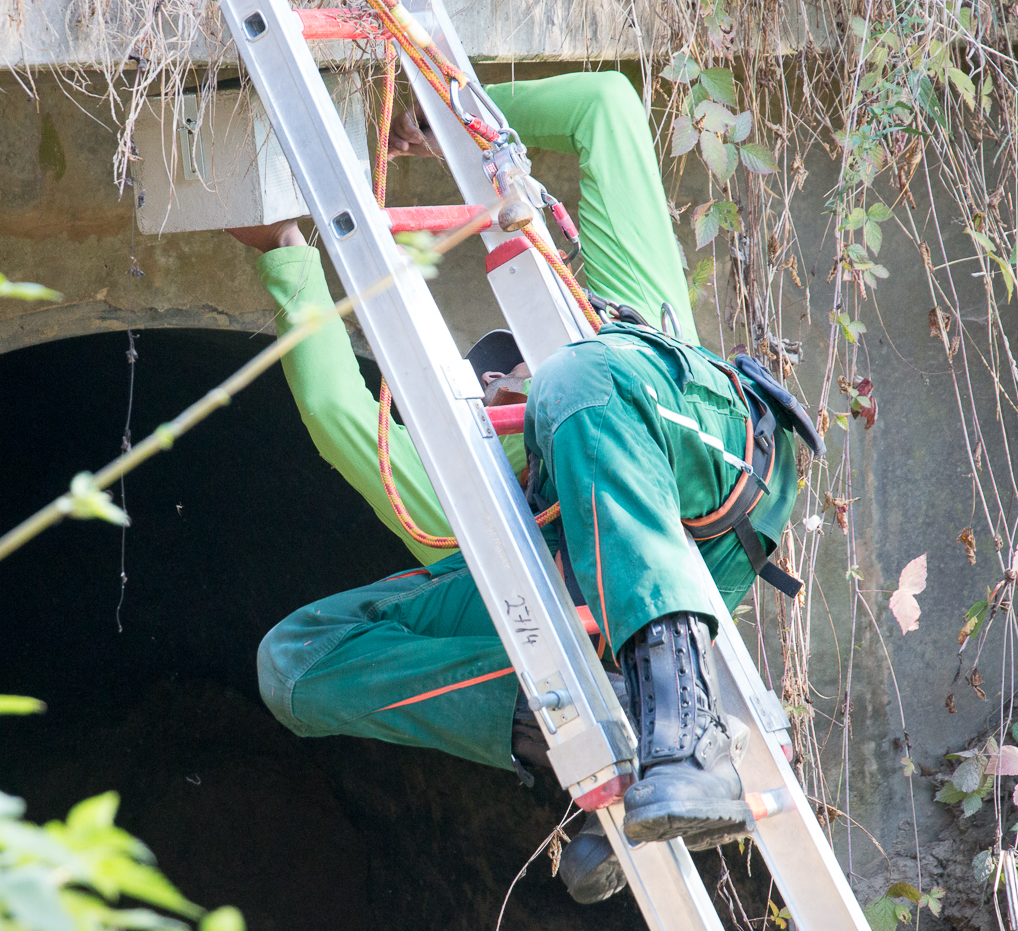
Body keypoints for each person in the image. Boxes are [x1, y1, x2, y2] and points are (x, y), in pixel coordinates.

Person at [225, 71, 814, 904]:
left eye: (509, 370)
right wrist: (286, 246)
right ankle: (594, 722)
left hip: (703, 452)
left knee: (589, 376)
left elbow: (604, 106)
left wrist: (442, 120)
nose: (506, 386)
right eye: (495, 384)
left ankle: (680, 727)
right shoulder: (480, 498)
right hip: (571, 581)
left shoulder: (612, 315)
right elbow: (333, 407)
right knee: (291, 663)